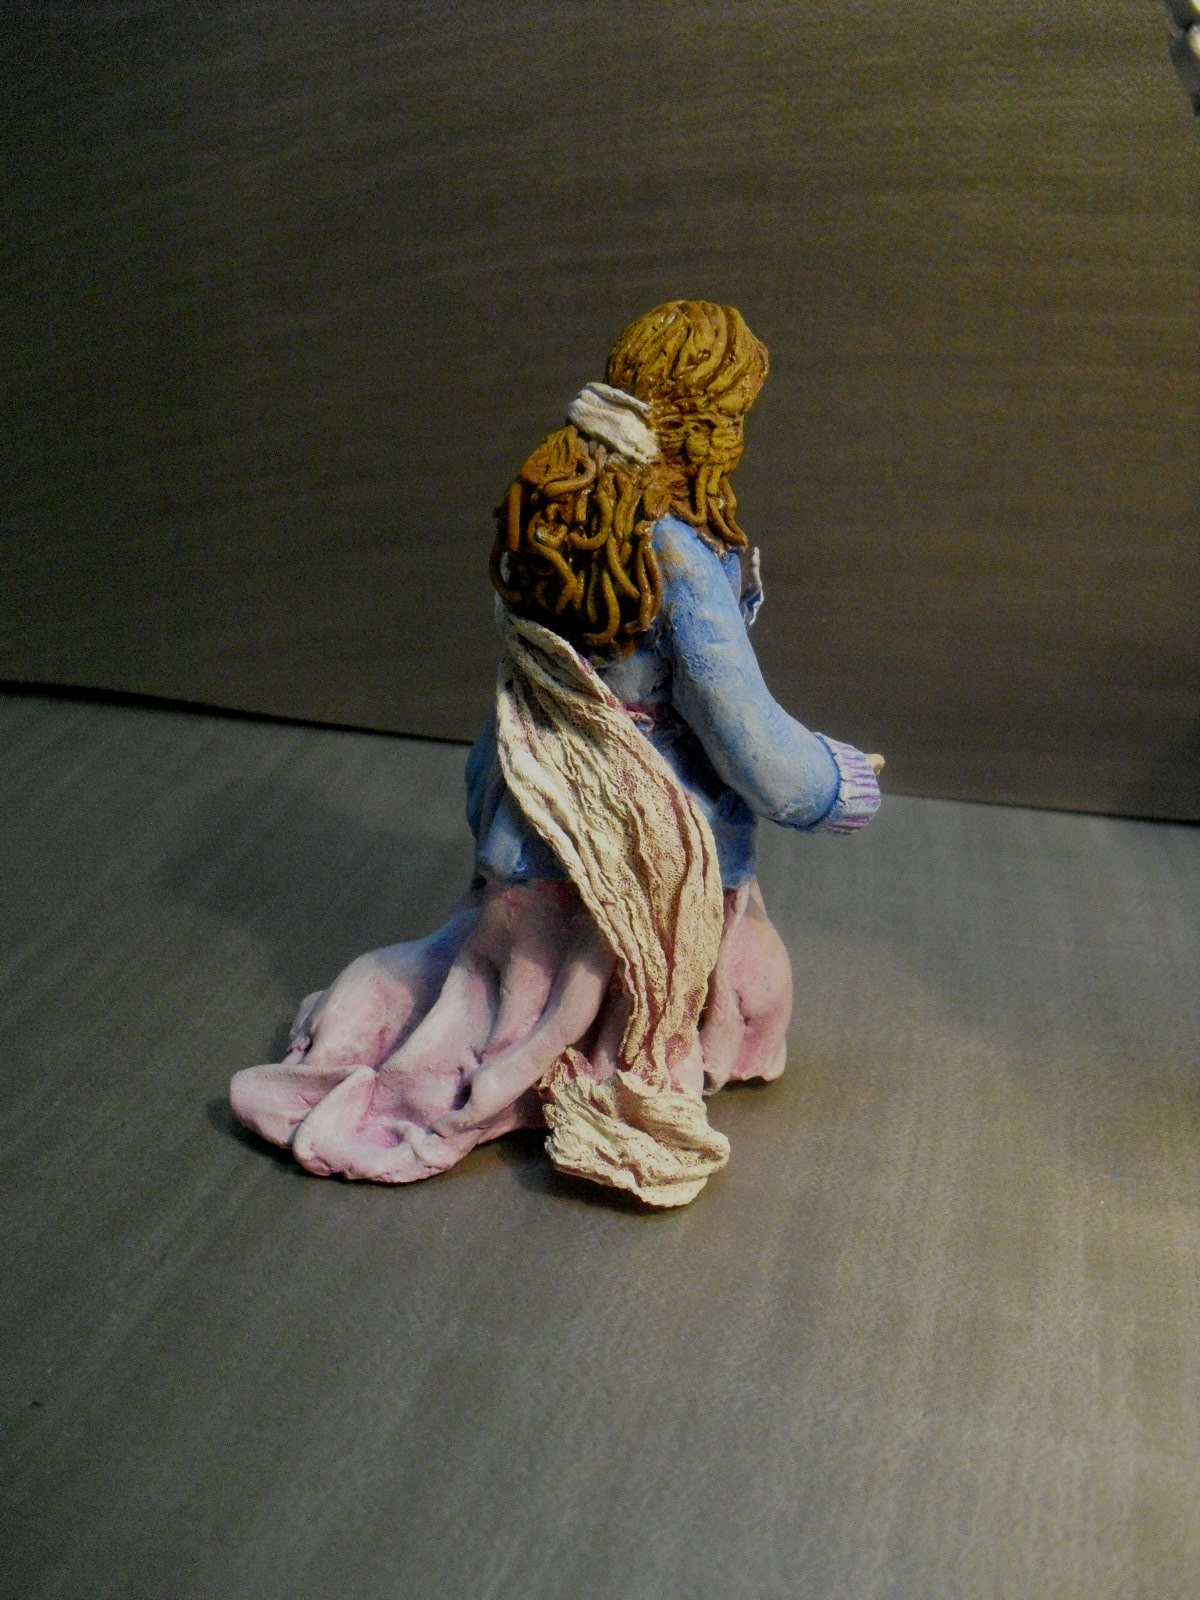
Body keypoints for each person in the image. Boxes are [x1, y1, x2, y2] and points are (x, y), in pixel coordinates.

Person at [230, 301, 881, 1207]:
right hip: (644, 845)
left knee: (512, 974)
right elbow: (745, 737)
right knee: (607, 983)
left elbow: (529, 680)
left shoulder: (551, 499)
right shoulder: (680, 558)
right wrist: (836, 788)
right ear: (712, 425)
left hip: (534, 811)